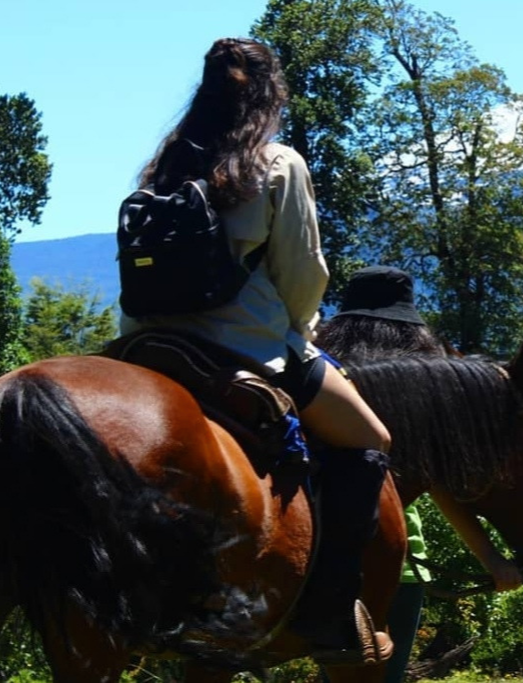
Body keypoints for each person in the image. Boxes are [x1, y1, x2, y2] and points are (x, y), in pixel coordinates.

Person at [119, 38, 393, 666]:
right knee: (369, 439)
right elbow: (304, 274)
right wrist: (303, 331)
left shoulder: (163, 167)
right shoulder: (276, 163)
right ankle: (328, 611)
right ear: (269, 97)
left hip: (143, 347)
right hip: (245, 347)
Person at [316, 265, 523, 683]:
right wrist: (491, 558)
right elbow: (440, 483)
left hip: (311, 552)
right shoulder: (417, 397)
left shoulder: (322, 381)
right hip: (397, 561)